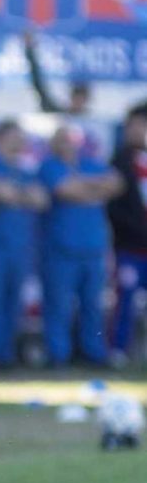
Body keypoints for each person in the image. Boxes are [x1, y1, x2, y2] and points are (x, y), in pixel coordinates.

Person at [39, 125, 123, 367]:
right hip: (62, 248)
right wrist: (96, 189)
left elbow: (116, 184)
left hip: (94, 249)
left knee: (94, 306)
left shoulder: (90, 163)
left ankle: (94, 354)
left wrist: (82, 184)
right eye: (61, 140)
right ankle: (58, 356)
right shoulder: (49, 166)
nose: (67, 144)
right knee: (59, 306)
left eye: (71, 140)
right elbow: (66, 190)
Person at [0, 122, 49, 368]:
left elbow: (42, 200)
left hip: (20, 246)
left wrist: (17, 194)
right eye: (16, 137)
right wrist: (24, 195)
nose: (20, 142)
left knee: (13, 303)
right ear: (1, 137)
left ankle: (6, 356)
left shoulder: (25, 168)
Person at [106, 102, 147, 365]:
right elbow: (114, 206)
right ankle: (119, 350)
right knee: (126, 300)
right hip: (131, 247)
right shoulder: (119, 161)